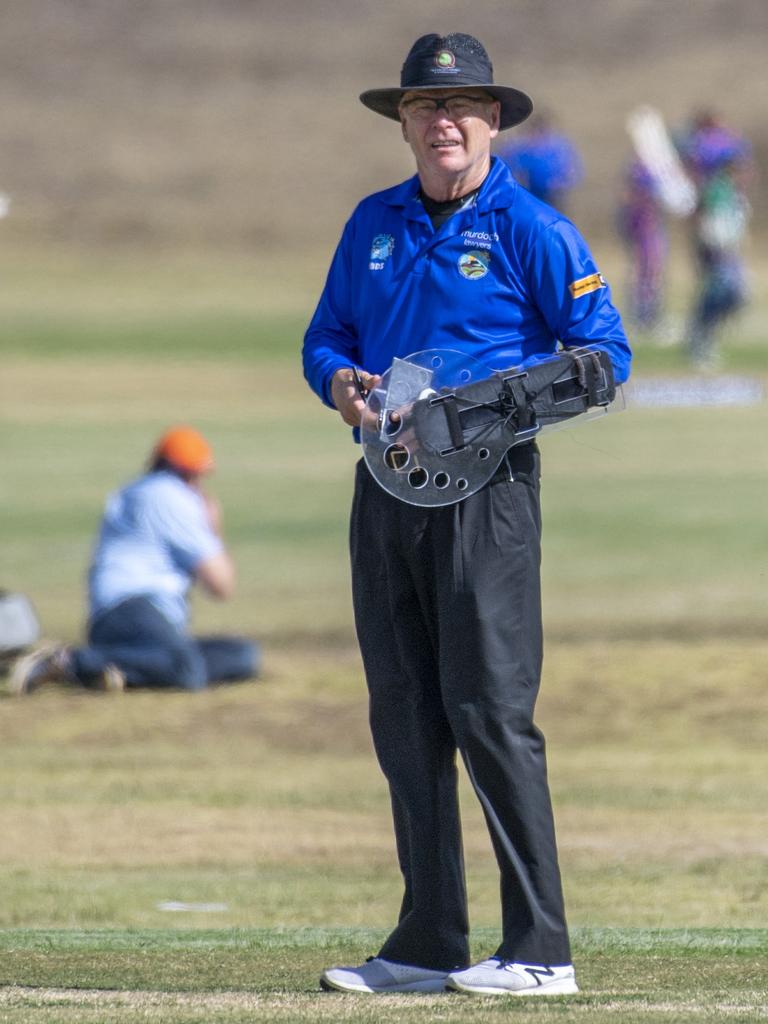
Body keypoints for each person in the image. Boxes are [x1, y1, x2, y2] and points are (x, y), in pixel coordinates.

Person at [302, 32, 631, 997]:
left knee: (489, 710)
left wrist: (484, 410)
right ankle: (429, 941)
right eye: (425, 107)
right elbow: (325, 336)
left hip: (489, 497)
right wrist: (342, 385)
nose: (444, 121)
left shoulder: (530, 226)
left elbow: (603, 357)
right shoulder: (373, 223)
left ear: (493, 123)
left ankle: (541, 950)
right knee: (405, 716)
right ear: (402, 122)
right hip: (385, 487)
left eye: (464, 107)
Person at [9, 426, 258, 694]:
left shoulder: (137, 490)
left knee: (241, 654)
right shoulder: (170, 497)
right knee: (187, 669)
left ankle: (118, 670)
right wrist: (213, 528)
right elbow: (221, 585)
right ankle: (69, 662)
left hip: (112, 617)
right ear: (189, 473)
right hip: (136, 607)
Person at [676, 111, 754, 369]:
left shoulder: (731, 189)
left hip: (727, 251)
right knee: (723, 293)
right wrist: (711, 243)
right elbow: (705, 218)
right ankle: (699, 340)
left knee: (735, 294)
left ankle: (701, 336)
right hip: (715, 251)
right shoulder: (718, 187)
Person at [616, 158, 668, 331]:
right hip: (643, 238)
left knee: (652, 277)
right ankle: (642, 317)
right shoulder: (636, 203)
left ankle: (649, 316)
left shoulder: (655, 171)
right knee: (643, 277)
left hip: (651, 236)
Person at [495, 110, 583, 213]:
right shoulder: (518, 149)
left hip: (552, 199)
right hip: (524, 200)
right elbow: (502, 168)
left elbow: (571, 173)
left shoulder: (558, 148)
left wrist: (557, 183)